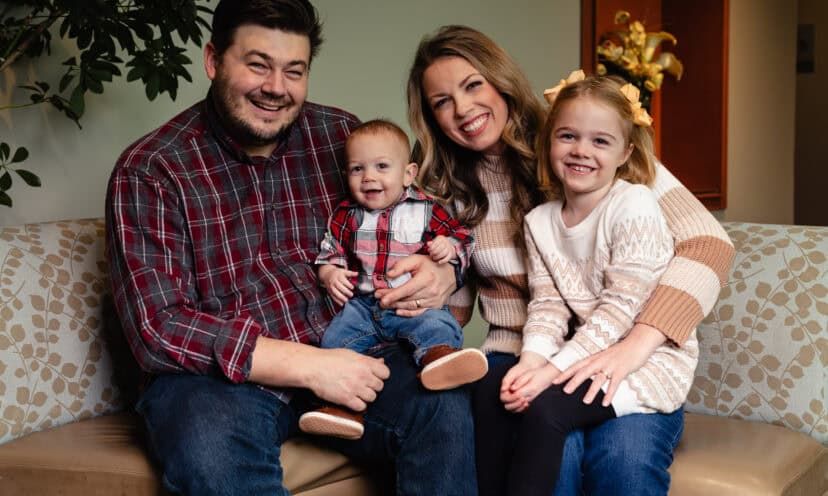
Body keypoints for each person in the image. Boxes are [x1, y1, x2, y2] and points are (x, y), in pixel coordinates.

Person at [105, 2, 476, 495]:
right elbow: (158, 327)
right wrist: (313, 366)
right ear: (214, 60)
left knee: (442, 406)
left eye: (294, 71)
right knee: (210, 451)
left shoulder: (341, 136)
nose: (276, 87)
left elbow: (421, 218)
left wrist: (446, 273)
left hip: (351, 344)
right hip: (217, 384)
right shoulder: (152, 169)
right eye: (258, 64)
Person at [406, 25, 735, 496]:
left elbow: (709, 245)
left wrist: (636, 345)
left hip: (627, 351)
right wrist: (431, 289)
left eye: (473, 85)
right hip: (521, 355)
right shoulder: (446, 191)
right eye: (441, 101)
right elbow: (455, 309)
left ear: (500, 81)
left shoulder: (585, 139)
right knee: (548, 457)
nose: (462, 109)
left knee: (622, 464)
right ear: (432, 117)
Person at [474, 71, 699, 496]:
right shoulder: (539, 222)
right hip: (586, 359)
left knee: (547, 412)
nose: (581, 151)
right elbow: (548, 307)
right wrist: (530, 364)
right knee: (499, 393)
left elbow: (622, 308)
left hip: (645, 366)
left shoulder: (633, 204)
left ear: (625, 152)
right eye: (568, 136)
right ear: (549, 143)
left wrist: (551, 373)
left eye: (600, 141)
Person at [298, 119, 486, 440]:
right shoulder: (346, 215)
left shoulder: (426, 210)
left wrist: (448, 246)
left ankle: (439, 360)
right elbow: (331, 249)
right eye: (357, 169)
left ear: (408, 174)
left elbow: (464, 239)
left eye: (381, 166)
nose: (369, 177)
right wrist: (330, 273)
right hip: (363, 307)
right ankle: (344, 409)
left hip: (409, 303)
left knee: (435, 325)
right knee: (334, 342)